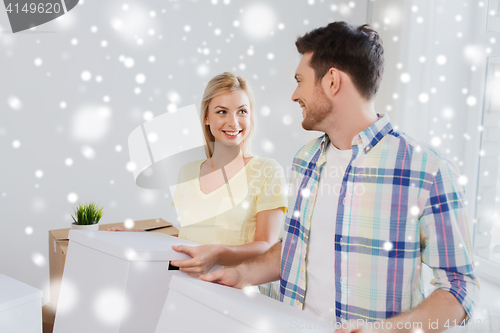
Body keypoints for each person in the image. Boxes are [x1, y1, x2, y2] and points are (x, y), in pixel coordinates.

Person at [200, 22, 479, 333]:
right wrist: (243, 274)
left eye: (299, 81)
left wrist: (385, 330)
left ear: (331, 81)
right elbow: (294, 249)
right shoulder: (305, 160)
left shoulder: (427, 170)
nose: (294, 95)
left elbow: (460, 289)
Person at [168, 72, 287, 288]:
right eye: (222, 112)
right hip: (187, 287)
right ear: (206, 117)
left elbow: (267, 245)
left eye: (242, 111)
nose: (233, 122)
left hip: (239, 293)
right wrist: (138, 236)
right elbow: (188, 234)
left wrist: (219, 254)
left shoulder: (267, 171)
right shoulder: (187, 172)